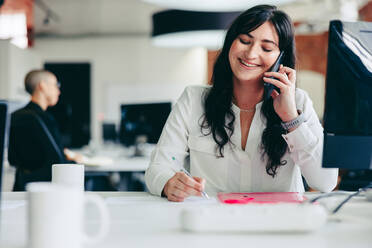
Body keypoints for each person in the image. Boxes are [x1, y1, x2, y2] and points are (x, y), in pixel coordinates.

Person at [145, 5, 338, 202]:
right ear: (230, 43)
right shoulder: (193, 99)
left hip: (278, 225)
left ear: (281, 58)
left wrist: (291, 119)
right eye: (245, 41)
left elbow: (326, 181)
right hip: (212, 224)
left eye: (267, 48)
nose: (251, 54)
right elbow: (158, 168)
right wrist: (169, 183)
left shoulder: (299, 102)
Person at [8, 69, 83, 191]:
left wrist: (62, 153)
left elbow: (15, 158)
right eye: (55, 85)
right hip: (45, 191)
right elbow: (57, 163)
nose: (58, 91)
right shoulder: (41, 118)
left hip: (21, 187)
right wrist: (76, 162)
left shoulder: (15, 115)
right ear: (42, 86)